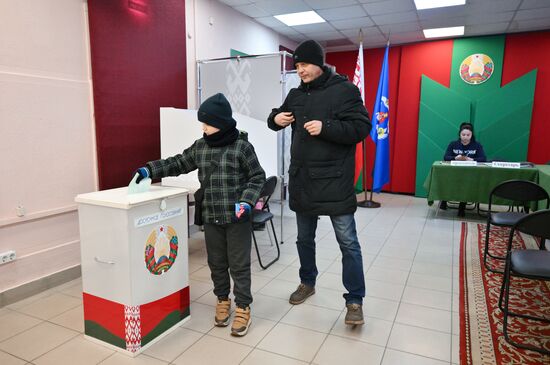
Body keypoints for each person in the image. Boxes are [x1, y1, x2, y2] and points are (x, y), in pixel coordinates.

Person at [134, 93, 265, 336]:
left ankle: (244, 306)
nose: (203, 127)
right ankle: (222, 299)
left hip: (237, 219)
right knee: (216, 263)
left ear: (222, 122)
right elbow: (178, 163)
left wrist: (247, 201)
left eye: (207, 123)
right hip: (211, 217)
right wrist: (150, 169)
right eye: (202, 123)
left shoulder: (242, 147)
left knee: (239, 265)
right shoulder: (201, 147)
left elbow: (257, 177)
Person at [267, 40, 371, 325]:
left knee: (348, 242)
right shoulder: (296, 95)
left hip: (334, 181)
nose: (300, 70)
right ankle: (307, 282)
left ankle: (354, 300)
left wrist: (327, 128)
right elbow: (273, 119)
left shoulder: (345, 90)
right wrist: (276, 118)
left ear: (319, 63)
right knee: (303, 239)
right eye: (297, 66)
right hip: (303, 180)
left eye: (304, 65)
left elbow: (362, 127)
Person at [441, 122, 486, 216]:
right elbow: (446, 157)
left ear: (471, 135)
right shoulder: (453, 144)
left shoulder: (477, 145)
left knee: (466, 183)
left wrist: (472, 159)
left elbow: (483, 159)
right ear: (459, 134)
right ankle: (444, 200)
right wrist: (454, 158)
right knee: (445, 179)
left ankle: (462, 207)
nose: (465, 137)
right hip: (454, 172)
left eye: (468, 135)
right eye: (463, 134)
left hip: (469, 174)